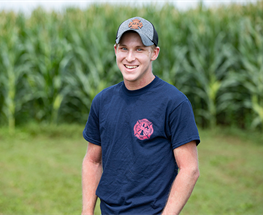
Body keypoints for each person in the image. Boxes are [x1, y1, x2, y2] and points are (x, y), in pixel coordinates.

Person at [82, 17, 200, 215]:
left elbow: (189, 169)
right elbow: (92, 161)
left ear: (154, 53)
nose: (129, 57)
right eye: (124, 48)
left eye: (139, 49)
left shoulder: (174, 102)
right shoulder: (102, 101)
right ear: (115, 50)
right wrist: (87, 212)